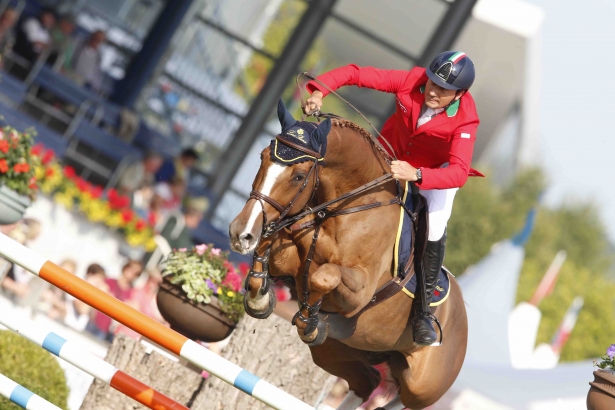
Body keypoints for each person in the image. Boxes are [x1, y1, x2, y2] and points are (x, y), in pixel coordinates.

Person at [303, 51, 481, 346]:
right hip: (388, 157)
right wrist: (319, 89)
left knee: (434, 226)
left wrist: (418, 175)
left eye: (444, 90)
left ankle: (423, 313)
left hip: (432, 177)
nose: (433, 92)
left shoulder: (466, 119)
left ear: (459, 94)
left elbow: (460, 172)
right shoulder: (412, 80)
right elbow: (354, 72)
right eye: (433, 83)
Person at [87, 260, 141, 342]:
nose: (132, 273)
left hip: (110, 331)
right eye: (131, 268)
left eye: (136, 272)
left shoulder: (132, 293)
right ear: (125, 267)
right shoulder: (110, 281)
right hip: (95, 322)